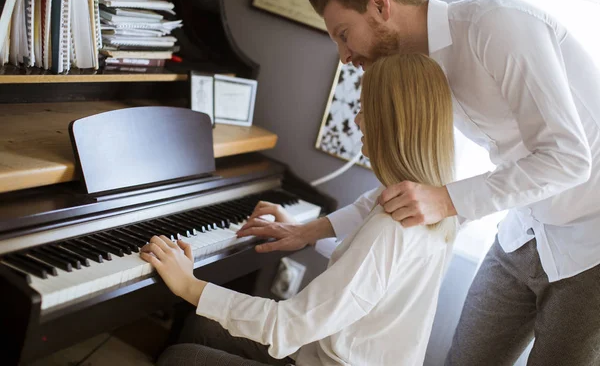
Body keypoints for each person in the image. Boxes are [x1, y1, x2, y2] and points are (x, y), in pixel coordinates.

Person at [239, 0, 600, 365]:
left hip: (592, 246)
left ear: (380, 4)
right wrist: (311, 230)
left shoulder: (497, 26)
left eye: (344, 34)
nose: (344, 57)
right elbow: (412, 194)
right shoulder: (425, 71)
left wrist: (446, 200)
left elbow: (568, 159)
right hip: (526, 229)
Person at [141, 53, 458, 366]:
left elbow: (287, 325)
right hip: (323, 351)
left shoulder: (389, 227)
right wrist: (306, 235)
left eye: (366, 110)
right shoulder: (427, 206)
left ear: (394, 123)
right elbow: (367, 277)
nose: (358, 120)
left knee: (179, 358)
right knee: (201, 325)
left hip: (323, 357)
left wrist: (189, 285)